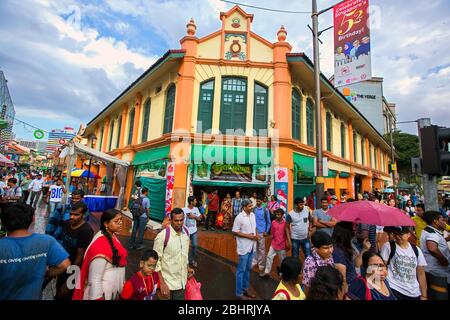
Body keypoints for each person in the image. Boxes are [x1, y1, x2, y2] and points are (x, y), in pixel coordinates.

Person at [0, 203, 70, 300]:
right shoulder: (47, 241)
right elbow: (65, 265)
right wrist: (45, 274)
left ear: (3, 222)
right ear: (33, 219)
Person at [73, 209, 128, 300]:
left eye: (121, 220)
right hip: (103, 295)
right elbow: (95, 279)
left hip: (112, 293)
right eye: (116, 221)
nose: (120, 223)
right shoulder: (100, 246)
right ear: (106, 224)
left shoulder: (112, 236)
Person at [56, 201, 94, 300]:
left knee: (67, 294)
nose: (72, 217)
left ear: (84, 215)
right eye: (71, 214)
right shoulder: (67, 224)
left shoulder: (86, 230)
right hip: (63, 266)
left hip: (73, 270)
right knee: (58, 292)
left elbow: (79, 257)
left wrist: (70, 281)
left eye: (76, 215)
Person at [153, 208, 192, 300]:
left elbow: (184, 256)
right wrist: (162, 284)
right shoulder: (162, 236)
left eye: (181, 220)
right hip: (167, 285)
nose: (179, 223)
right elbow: (155, 262)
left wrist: (188, 268)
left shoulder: (186, 233)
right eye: (176, 220)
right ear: (171, 220)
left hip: (181, 284)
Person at [380, 226, 428, 300]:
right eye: (396, 234)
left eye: (401, 234)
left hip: (413, 292)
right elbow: (382, 266)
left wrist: (424, 295)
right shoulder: (388, 246)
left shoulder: (416, 250)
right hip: (394, 288)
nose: (398, 237)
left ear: (409, 234)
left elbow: (421, 273)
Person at [420, 211, 450, 300]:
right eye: (442, 220)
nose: (445, 222)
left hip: (433, 271)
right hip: (437, 273)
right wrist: (444, 261)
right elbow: (432, 247)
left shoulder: (429, 230)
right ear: (435, 221)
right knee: (440, 296)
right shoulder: (432, 233)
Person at [232, 199, 258, 300]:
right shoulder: (239, 217)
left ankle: (245, 289)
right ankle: (239, 294)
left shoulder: (253, 215)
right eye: (249, 206)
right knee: (241, 270)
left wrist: (255, 235)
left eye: (251, 206)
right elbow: (235, 231)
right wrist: (249, 236)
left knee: (247, 269)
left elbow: (254, 227)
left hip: (252, 246)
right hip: (244, 247)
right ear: (244, 207)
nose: (251, 207)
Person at [332, 222, 369, 291]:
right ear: (345, 232)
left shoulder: (349, 245)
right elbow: (342, 277)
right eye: (353, 228)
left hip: (353, 283)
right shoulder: (337, 251)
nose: (355, 230)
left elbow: (357, 264)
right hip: (348, 287)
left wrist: (364, 249)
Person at [262, 208, 291, 277]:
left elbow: (288, 233)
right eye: (276, 214)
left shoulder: (285, 223)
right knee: (269, 257)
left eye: (279, 214)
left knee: (282, 260)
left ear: (282, 215)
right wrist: (270, 237)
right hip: (274, 244)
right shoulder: (273, 222)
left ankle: (282, 273)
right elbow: (272, 232)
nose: (277, 216)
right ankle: (266, 272)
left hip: (282, 245)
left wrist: (288, 243)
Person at [251, 195, 271, 276]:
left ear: (262, 201)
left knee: (262, 249)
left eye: (259, 201)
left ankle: (261, 265)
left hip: (262, 232)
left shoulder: (265, 210)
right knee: (254, 247)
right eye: (257, 201)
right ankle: (254, 261)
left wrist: (266, 231)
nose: (258, 202)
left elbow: (269, 222)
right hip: (254, 231)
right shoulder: (254, 209)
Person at [183, 196, 202, 267]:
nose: (196, 202)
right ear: (191, 202)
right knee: (184, 247)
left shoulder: (196, 209)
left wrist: (194, 217)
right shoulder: (184, 210)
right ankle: (185, 261)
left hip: (194, 231)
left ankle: (191, 260)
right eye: (195, 201)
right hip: (185, 232)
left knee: (194, 245)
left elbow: (200, 219)